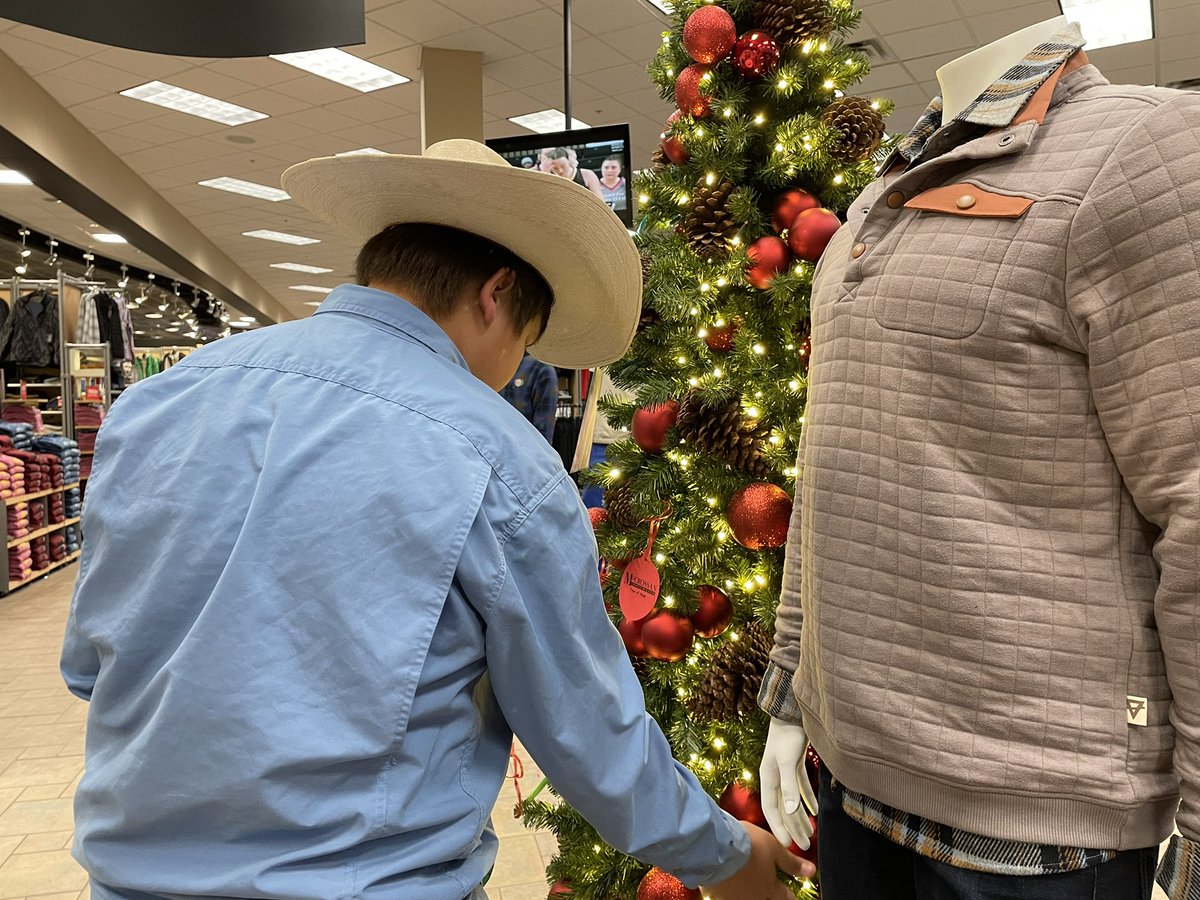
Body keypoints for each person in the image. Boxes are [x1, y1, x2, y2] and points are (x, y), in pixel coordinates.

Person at [60, 139, 809, 900]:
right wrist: (723, 854)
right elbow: (588, 735)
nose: (514, 371)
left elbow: (89, 666)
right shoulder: (500, 460)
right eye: (524, 343)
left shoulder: (161, 402)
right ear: (496, 295)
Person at [757, 17, 1200, 900]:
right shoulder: (874, 203)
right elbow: (832, 464)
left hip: (1032, 825)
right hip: (851, 781)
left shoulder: (1142, 150)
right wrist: (790, 687)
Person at [500, 351, 558, 443]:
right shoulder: (494, 366)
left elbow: (543, 434)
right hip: (492, 450)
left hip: (523, 451)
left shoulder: (541, 369)